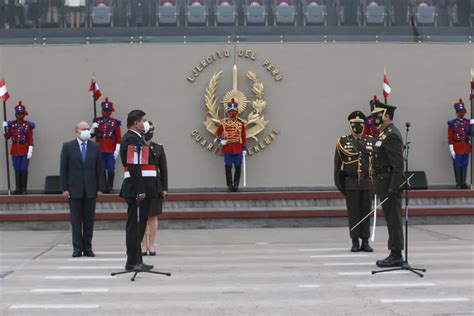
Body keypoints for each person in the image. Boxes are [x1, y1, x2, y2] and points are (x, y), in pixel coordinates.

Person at [119, 110, 158, 271]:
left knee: (140, 226)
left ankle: (137, 260)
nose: (145, 123)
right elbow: (134, 166)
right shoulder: (131, 139)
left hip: (144, 189)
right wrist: (140, 189)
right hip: (137, 190)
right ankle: (132, 261)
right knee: (135, 226)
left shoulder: (137, 138)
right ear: (136, 123)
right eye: (143, 120)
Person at [60, 121, 104, 257]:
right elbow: (63, 169)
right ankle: (77, 248)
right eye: (83, 129)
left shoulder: (95, 147)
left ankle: (88, 247)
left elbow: (99, 169)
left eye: (87, 129)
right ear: (76, 131)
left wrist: (100, 188)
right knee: (76, 220)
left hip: (90, 189)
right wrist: (64, 189)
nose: (86, 131)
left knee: (89, 220)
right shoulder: (68, 146)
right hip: (74, 189)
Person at [334, 110, 376, 252]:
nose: (357, 127)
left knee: (366, 212)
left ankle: (365, 241)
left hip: (367, 183)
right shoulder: (343, 142)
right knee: (353, 213)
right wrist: (341, 186)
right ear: (350, 125)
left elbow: (375, 164)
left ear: (364, 125)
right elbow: (337, 166)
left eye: (360, 124)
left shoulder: (371, 141)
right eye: (354, 124)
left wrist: (375, 185)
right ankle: (354, 241)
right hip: (351, 183)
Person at [371, 102, 405, 267]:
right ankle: (394, 251)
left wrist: (394, 186)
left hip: (390, 183)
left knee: (394, 220)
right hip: (383, 182)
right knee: (391, 219)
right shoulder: (383, 134)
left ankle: (396, 253)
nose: (373, 118)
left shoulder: (391, 134)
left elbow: (398, 165)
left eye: (376, 115)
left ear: (385, 115)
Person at [141, 121, 168, 256]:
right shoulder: (136, 146)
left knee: (152, 216)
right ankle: (143, 244)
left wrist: (164, 188)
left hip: (155, 186)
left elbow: (163, 169)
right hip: (140, 185)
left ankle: (151, 244)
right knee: (141, 217)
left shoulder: (158, 147)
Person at [3, 101, 35, 195]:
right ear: (15, 114)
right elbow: (7, 136)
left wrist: (30, 150)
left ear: (24, 114)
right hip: (14, 150)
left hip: (24, 149)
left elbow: (30, 138)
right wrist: (4, 128)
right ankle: (18, 188)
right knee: (16, 169)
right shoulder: (12, 125)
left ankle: (24, 188)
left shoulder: (28, 125)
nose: (19, 115)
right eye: (18, 114)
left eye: (21, 114)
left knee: (23, 168)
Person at [215, 98, 247, 192]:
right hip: (228, 148)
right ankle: (229, 185)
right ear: (228, 112)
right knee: (228, 166)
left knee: (238, 166)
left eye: (234, 111)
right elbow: (217, 134)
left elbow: (243, 137)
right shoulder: (224, 123)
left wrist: (244, 148)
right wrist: (221, 140)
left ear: (237, 112)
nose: (232, 113)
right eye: (230, 111)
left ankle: (236, 185)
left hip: (238, 148)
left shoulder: (241, 124)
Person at [91, 97, 122, 193]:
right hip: (99, 147)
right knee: (102, 168)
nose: (106, 112)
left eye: (108, 110)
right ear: (101, 110)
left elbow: (118, 137)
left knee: (111, 168)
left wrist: (117, 148)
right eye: (104, 110)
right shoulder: (97, 121)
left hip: (110, 148)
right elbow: (92, 135)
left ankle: (110, 187)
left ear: (111, 111)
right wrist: (93, 128)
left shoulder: (115, 122)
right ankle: (103, 186)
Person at [448, 99, 473, 189]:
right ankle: (458, 183)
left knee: (465, 164)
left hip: (466, 146)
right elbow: (450, 137)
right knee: (457, 165)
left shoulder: (468, 122)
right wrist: (451, 149)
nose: (461, 113)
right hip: (457, 146)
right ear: (456, 112)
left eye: (462, 111)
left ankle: (463, 183)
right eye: (459, 112)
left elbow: (471, 134)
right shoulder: (452, 123)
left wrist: (473, 125)